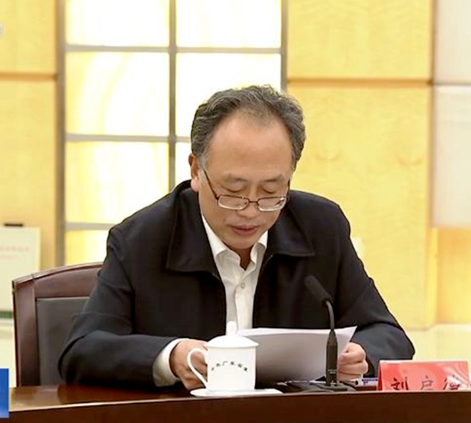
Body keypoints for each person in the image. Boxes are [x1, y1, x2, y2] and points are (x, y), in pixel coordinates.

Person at [58, 85, 415, 390]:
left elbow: (389, 334)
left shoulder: (321, 227)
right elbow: (82, 350)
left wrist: (361, 355)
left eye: (271, 192)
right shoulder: (143, 239)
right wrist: (171, 357)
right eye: (233, 191)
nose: (250, 210)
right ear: (196, 170)